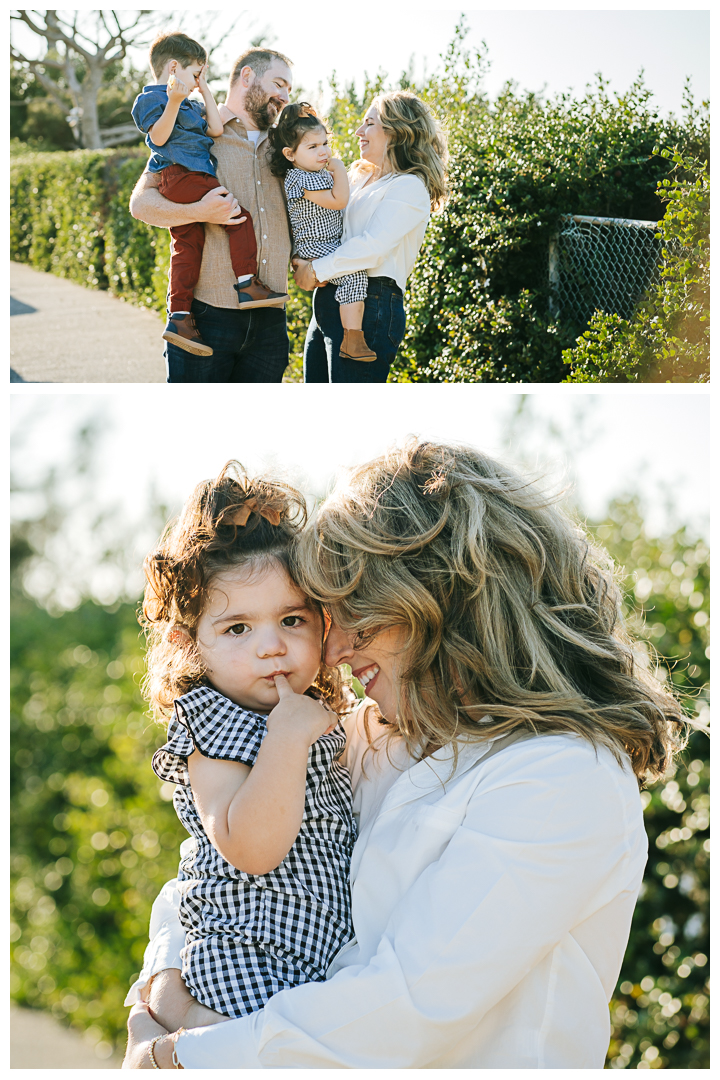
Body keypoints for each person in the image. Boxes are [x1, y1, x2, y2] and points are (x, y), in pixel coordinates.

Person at [123, 439, 686, 1069]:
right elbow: (211, 870)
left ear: (440, 602)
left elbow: (410, 1005)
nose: (333, 649)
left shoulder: (562, 777)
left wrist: (178, 1057)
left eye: (355, 613)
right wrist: (163, 986)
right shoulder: (369, 735)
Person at [134, 462, 356, 1048]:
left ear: (323, 622)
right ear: (191, 644)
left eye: (291, 620)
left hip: (312, 960)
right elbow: (252, 849)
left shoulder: (313, 709)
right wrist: (285, 738)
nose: (271, 646)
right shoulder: (215, 725)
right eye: (237, 628)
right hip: (249, 965)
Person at [129, 48, 294, 383]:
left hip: (271, 323)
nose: (284, 96)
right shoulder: (192, 130)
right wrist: (197, 211)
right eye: (279, 84)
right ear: (247, 77)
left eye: (289, 89)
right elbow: (141, 203)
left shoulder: (290, 145)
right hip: (206, 319)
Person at [292, 92, 448, 383]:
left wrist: (314, 270)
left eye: (369, 124)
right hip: (329, 298)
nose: (358, 132)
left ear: (396, 132)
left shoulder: (409, 187)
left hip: (371, 304)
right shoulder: (358, 179)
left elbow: (372, 248)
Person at [268, 103, 376, 362]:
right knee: (354, 275)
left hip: (327, 243)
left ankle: (352, 336)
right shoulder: (301, 178)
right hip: (315, 245)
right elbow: (338, 201)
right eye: (312, 147)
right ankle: (353, 338)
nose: (323, 152)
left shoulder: (315, 173)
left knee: (351, 273)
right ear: (290, 154)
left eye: (325, 143)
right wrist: (339, 168)